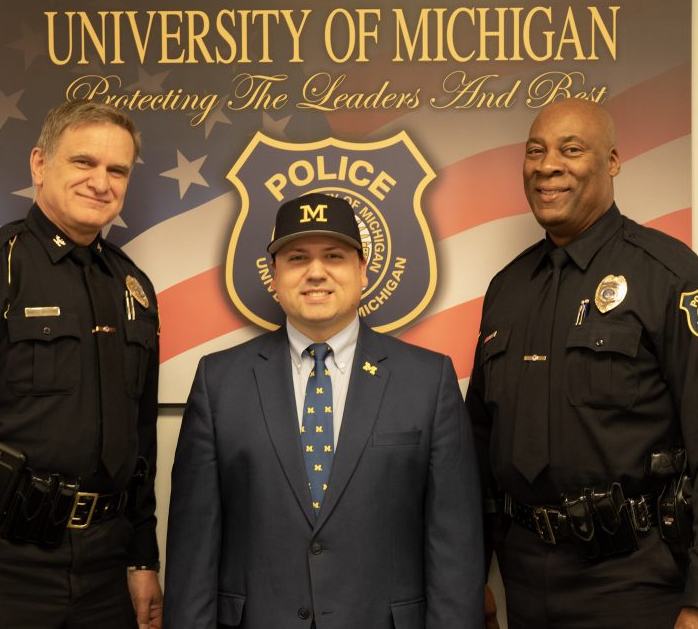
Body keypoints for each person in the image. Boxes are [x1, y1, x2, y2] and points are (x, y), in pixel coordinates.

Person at [467, 98, 698, 629]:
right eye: (535, 151)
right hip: (526, 580)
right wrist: (471, 578)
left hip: (635, 578)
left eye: (571, 149)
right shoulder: (506, 289)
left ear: (613, 162)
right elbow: (480, 447)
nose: (548, 165)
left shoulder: (673, 278)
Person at [164, 192, 484, 629]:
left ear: (363, 272)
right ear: (274, 275)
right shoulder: (218, 382)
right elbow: (193, 549)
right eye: (297, 258)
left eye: (334, 255)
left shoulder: (429, 381)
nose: (316, 272)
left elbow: (456, 549)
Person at [0, 100, 163, 629]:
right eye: (83, 162)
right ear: (40, 165)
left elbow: (139, 445)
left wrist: (142, 558)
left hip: (105, 573)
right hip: (2, 571)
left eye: (117, 170)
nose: (100, 182)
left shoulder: (132, 288)